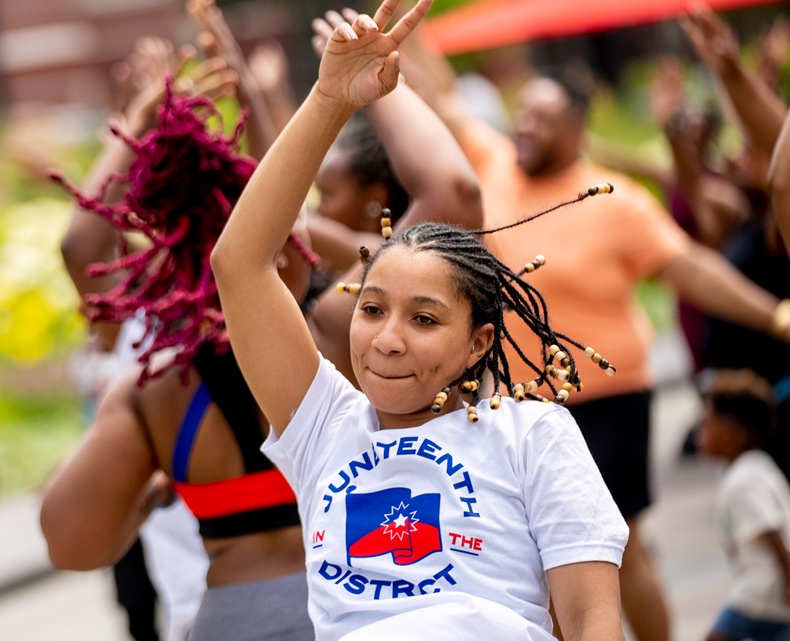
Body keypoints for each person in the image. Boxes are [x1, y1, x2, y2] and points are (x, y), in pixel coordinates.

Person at [42, 17, 480, 638]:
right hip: (374, 600)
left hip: (235, 616)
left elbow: (71, 542)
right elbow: (453, 194)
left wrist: (136, 125)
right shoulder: (350, 331)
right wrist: (363, 86)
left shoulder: (154, 385)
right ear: (284, 243)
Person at [211, 1, 628, 639]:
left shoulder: (532, 435)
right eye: (372, 309)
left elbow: (590, 616)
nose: (387, 339)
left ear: (478, 342)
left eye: (425, 320)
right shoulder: (322, 427)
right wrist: (328, 99)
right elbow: (240, 265)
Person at [396, 16, 790, 640]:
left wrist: (774, 315)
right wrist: (401, 36)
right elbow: (442, 95)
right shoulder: (494, 165)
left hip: (607, 397)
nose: (526, 126)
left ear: (577, 129)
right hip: (523, 403)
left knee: (614, 547)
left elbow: (692, 270)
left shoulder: (616, 201)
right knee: (537, 554)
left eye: (543, 117)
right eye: (522, 115)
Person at [698, 370, 790, 641]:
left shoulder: (743, 480)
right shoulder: (757, 464)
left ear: (731, 434)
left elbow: (771, 530)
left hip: (762, 592)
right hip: (770, 590)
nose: (700, 436)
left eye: (706, 426)